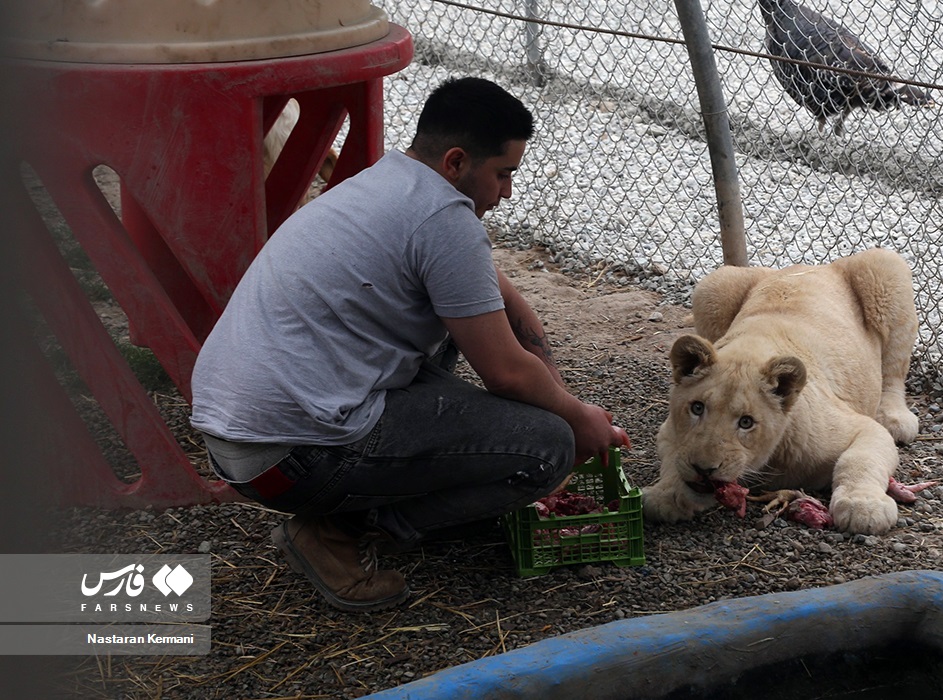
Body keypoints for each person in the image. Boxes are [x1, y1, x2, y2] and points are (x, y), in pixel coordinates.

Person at [190, 77, 629, 613]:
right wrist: (576, 416)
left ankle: (383, 500)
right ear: (456, 161)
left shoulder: (385, 183)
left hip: (239, 436)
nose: (506, 193)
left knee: (461, 335)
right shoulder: (444, 220)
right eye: (503, 174)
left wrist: (558, 386)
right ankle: (340, 534)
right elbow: (507, 374)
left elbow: (502, 304)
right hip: (290, 457)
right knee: (546, 446)